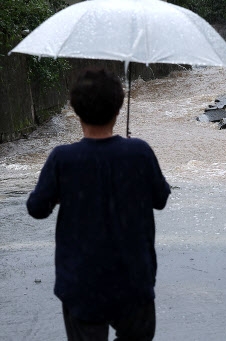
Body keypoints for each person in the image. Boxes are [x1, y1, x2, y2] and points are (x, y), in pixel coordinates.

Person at [27, 67, 171, 341]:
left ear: (75, 111)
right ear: (118, 109)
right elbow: (160, 199)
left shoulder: (62, 159)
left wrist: (60, 192)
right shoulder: (138, 152)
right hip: (133, 281)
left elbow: (36, 208)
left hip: (81, 284)